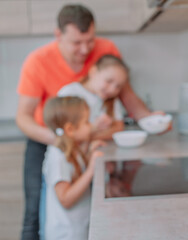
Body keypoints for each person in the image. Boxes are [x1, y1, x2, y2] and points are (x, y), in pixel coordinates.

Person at [16, 4, 151, 240]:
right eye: (77, 43)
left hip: (82, 141)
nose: (86, 49)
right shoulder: (37, 61)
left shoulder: (106, 49)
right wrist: (62, 140)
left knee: (86, 203)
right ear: (58, 35)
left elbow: (126, 95)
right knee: (35, 212)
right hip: (48, 139)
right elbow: (23, 116)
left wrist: (150, 119)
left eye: (90, 40)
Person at [42, 96, 102, 240]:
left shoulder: (72, 149)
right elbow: (66, 200)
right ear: (70, 129)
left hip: (78, 228)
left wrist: (89, 154)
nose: (90, 125)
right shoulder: (57, 157)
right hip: (67, 234)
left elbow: (76, 174)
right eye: (86, 122)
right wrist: (91, 170)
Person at [58, 54, 129, 140]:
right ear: (93, 72)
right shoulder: (70, 93)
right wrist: (94, 128)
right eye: (109, 81)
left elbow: (118, 128)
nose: (112, 89)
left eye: (118, 86)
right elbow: (66, 134)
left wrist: (87, 136)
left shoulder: (112, 99)